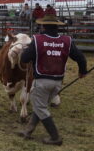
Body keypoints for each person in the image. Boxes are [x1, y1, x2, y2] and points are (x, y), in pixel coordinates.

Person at [18, 14, 87, 145]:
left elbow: (24, 59)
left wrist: (27, 51)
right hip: (57, 83)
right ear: (57, 27)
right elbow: (80, 57)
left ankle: (55, 137)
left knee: (40, 107)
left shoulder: (37, 40)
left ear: (43, 26)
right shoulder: (67, 41)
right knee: (41, 105)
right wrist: (82, 71)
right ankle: (28, 130)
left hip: (42, 81)